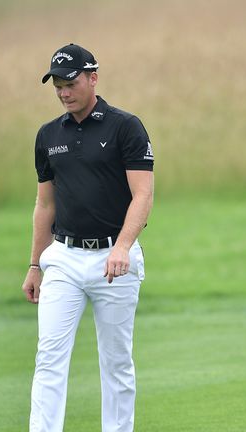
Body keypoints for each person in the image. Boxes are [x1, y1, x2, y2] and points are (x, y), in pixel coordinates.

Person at [21, 43, 155, 432]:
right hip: (62, 258)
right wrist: (34, 264)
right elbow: (45, 205)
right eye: (57, 85)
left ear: (93, 78)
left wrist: (124, 247)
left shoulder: (125, 127)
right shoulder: (48, 135)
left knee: (116, 361)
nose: (64, 92)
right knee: (49, 357)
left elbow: (143, 195)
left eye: (71, 82)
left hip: (114, 259)